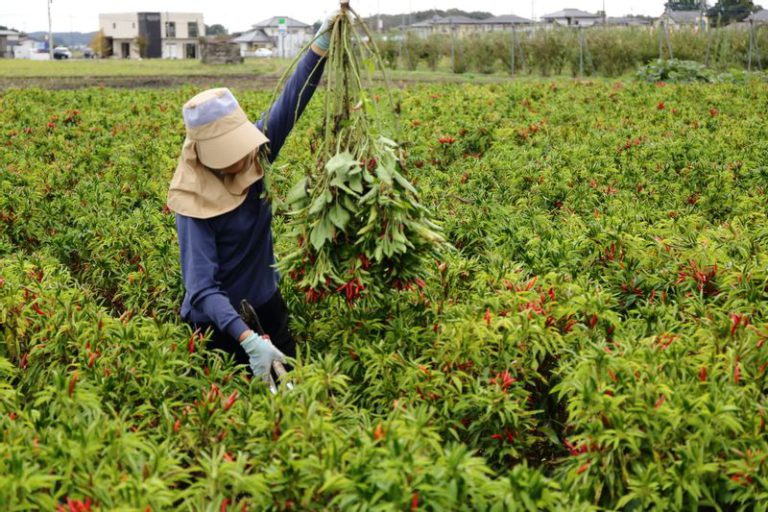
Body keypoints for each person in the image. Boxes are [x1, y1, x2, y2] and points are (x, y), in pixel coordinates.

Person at [167, 13, 337, 380]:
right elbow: (201, 289)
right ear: (208, 154)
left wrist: (318, 49)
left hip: (266, 307)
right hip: (220, 329)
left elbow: (290, 104)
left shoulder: (253, 153)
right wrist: (246, 338)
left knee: (295, 403)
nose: (245, 157)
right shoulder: (191, 200)